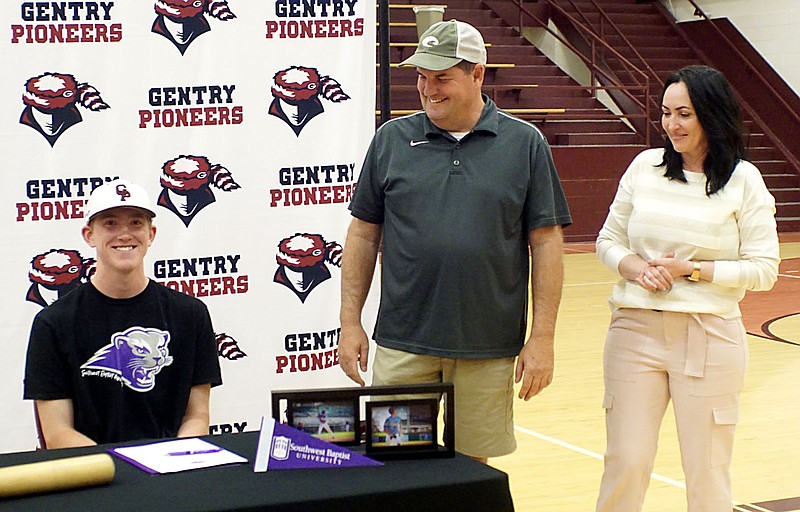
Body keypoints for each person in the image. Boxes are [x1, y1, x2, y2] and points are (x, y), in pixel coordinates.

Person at [338, 19, 572, 462]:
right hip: (404, 339)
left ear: (478, 73)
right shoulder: (391, 140)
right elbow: (363, 234)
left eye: (442, 77)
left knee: (470, 472)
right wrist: (351, 321)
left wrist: (543, 337)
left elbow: (546, 243)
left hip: (487, 343)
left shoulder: (524, 144)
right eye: (422, 77)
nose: (428, 89)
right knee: (397, 468)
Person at [594, 65, 780, 511]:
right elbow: (607, 241)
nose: (672, 125)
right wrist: (639, 269)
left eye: (685, 114)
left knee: (707, 469)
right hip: (634, 332)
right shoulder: (645, 167)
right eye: (666, 113)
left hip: (710, 338)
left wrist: (693, 270)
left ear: (712, 117)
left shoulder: (744, 181)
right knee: (627, 461)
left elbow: (764, 269)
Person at [23, 179, 222, 449]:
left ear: (151, 234)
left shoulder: (191, 314)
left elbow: (196, 416)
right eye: (110, 223)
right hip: (95, 476)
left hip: (170, 474)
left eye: (136, 223)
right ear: (89, 235)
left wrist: (174, 458)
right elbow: (57, 433)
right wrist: (123, 472)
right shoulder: (53, 322)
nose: (125, 234)